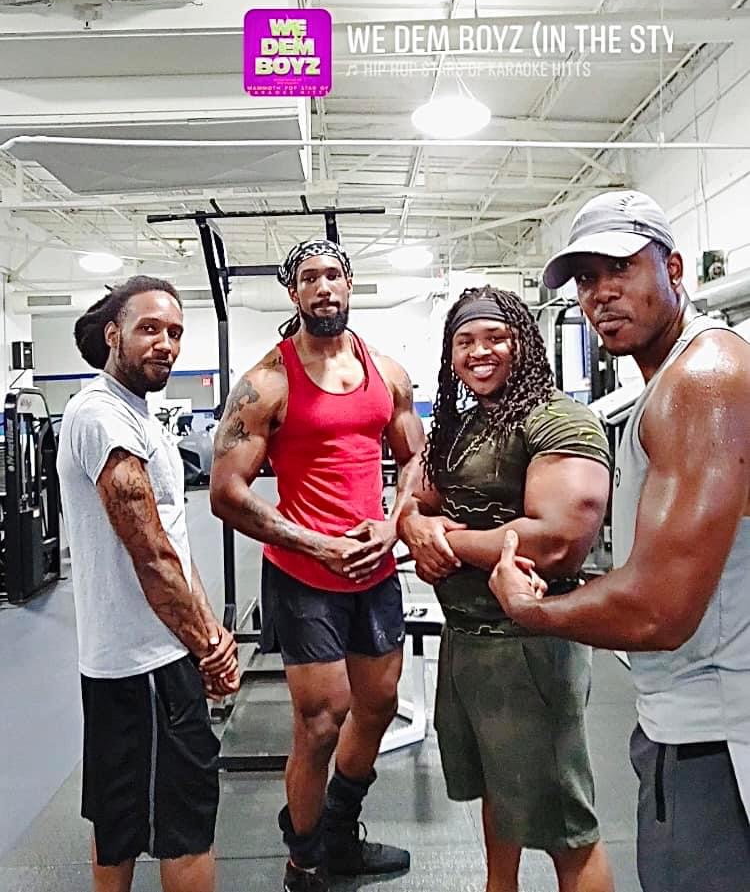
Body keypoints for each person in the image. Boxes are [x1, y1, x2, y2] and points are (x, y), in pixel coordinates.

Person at [490, 189, 750, 892]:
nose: (600, 293)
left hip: (717, 738)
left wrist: (532, 609)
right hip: (688, 724)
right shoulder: (670, 383)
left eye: (620, 268)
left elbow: (659, 610)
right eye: (585, 278)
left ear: (674, 268)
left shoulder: (703, 378)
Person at [209, 240, 425, 892]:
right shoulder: (267, 381)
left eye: (334, 275)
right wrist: (316, 543)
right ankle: (303, 862)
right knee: (321, 721)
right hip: (304, 575)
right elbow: (226, 491)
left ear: (350, 284)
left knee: (379, 705)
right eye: (310, 278)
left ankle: (338, 833)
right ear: (294, 293)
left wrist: (392, 522)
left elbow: (414, 458)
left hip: (374, 569)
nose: (324, 287)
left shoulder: (386, 372)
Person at [397, 286, 615, 892]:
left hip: (530, 644)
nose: (479, 351)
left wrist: (445, 542)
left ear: (524, 343)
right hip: (467, 640)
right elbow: (413, 499)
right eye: (465, 341)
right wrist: (415, 527)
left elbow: (555, 541)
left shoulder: (558, 420)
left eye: (495, 337)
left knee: (567, 827)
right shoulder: (461, 426)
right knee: (498, 788)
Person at [57, 275, 240, 892]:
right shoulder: (102, 415)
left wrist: (212, 633)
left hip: (130, 660)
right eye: (150, 329)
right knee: (186, 827)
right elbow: (152, 554)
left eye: (175, 332)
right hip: (150, 664)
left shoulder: (135, 415)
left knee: (120, 819)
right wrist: (207, 647)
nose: (166, 343)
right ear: (113, 335)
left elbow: (173, 539)